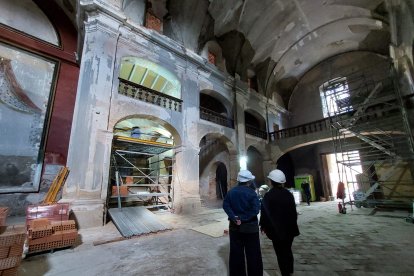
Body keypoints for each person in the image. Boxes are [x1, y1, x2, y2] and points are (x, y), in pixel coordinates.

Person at [223, 170, 263, 276]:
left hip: (235, 227)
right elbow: (255, 210)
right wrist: (244, 218)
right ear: (249, 181)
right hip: (250, 229)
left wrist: (234, 217)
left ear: (239, 180)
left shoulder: (231, 192)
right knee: (253, 255)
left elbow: (226, 205)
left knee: (236, 254)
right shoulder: (252, 193)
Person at [260, 169, 300, 276]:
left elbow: (265, 213)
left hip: (276, 231)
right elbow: (293, 213)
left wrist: (262, 226)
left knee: (280, 252)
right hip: (290, 229)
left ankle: (285, 273)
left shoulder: (268, 196)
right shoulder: (289, 194)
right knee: (287, 250)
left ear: (271, 181)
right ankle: (289, 271)